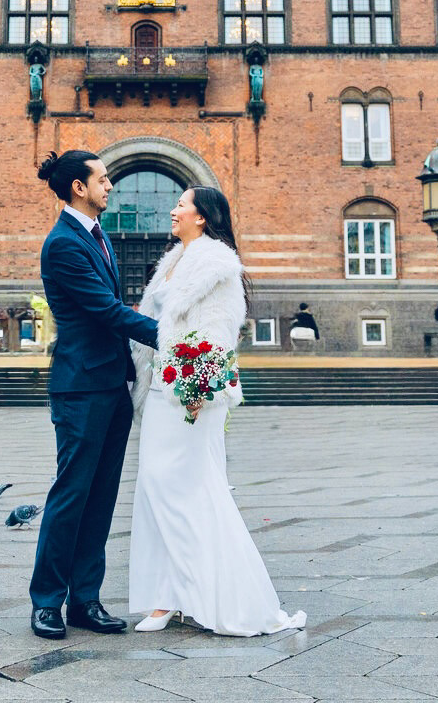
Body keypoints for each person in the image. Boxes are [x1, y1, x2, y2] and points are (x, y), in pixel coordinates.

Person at [129, 187, 307, 636]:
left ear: (202, 217)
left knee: (187, 489)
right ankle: (168, 595)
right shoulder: (173, 262)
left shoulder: (216, 266)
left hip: (189, 394)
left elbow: (220, 334)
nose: (172, 209)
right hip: (160, 391)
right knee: (155, 489)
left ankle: (220, 597)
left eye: (182, 205)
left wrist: (196, 386)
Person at [28, 151, 161, 641]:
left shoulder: (95, 235)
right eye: (103, 179)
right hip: (81, 388)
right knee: (70, 496)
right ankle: (47, 601)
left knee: (101, 498)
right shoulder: (64, 244)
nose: (111, 185)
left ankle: (85, 599)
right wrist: (173, 338)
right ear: (79, 188)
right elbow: (107, 310)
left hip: (111, 385)